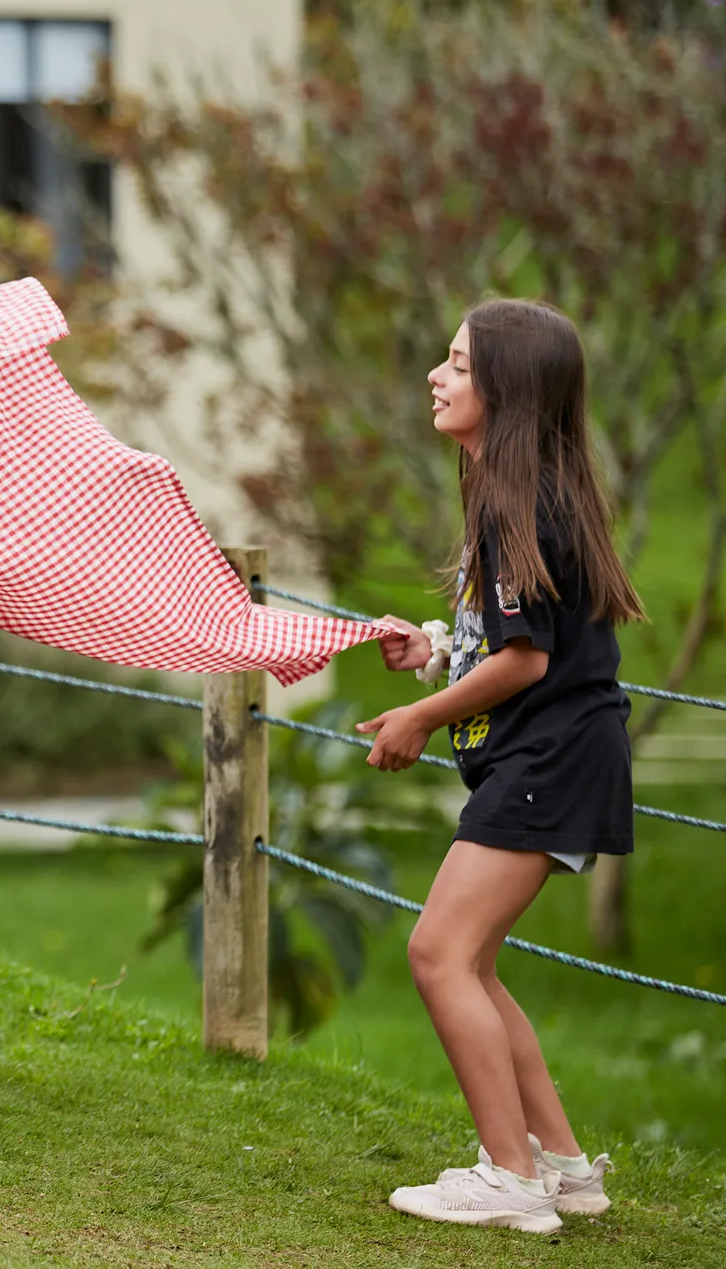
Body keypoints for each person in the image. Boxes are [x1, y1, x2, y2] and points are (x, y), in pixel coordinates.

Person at [358, 299, 641, 1232]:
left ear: (507, 392)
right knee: (470, 961)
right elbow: (514, 642)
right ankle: (561, 1166)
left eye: (457, 365)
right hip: (561, 754)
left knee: (438, 953)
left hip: (548, 760)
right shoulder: (524, 492)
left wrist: (419, 716)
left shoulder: (517, 503)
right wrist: (438, 655)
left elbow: (527, 662)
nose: (435, 377)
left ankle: (510, 1178)